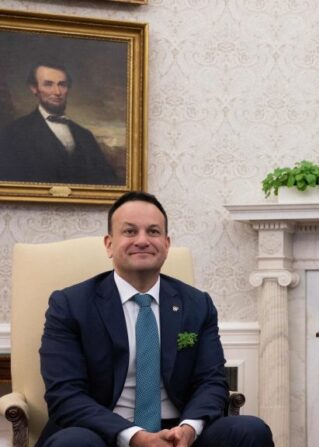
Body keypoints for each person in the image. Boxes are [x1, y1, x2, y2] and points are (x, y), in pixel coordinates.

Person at [38, 191, 273, 447]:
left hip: (178, 434)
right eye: (129, 232)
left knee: (250, 430)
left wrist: (188, 429)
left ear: (166, 243)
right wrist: (136, 437)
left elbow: (211, 381)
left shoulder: (197, 304)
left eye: (153, 232)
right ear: (109, 244)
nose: (142, 240)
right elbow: (65, 395)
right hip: (104, 433)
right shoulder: (70, 305)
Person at [0, 62, 121, 185]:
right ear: (34, 88)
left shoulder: (85, 136)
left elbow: (108, 182)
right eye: (48, 84)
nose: (57, 92)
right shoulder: (13, 132)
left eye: (62, 85)